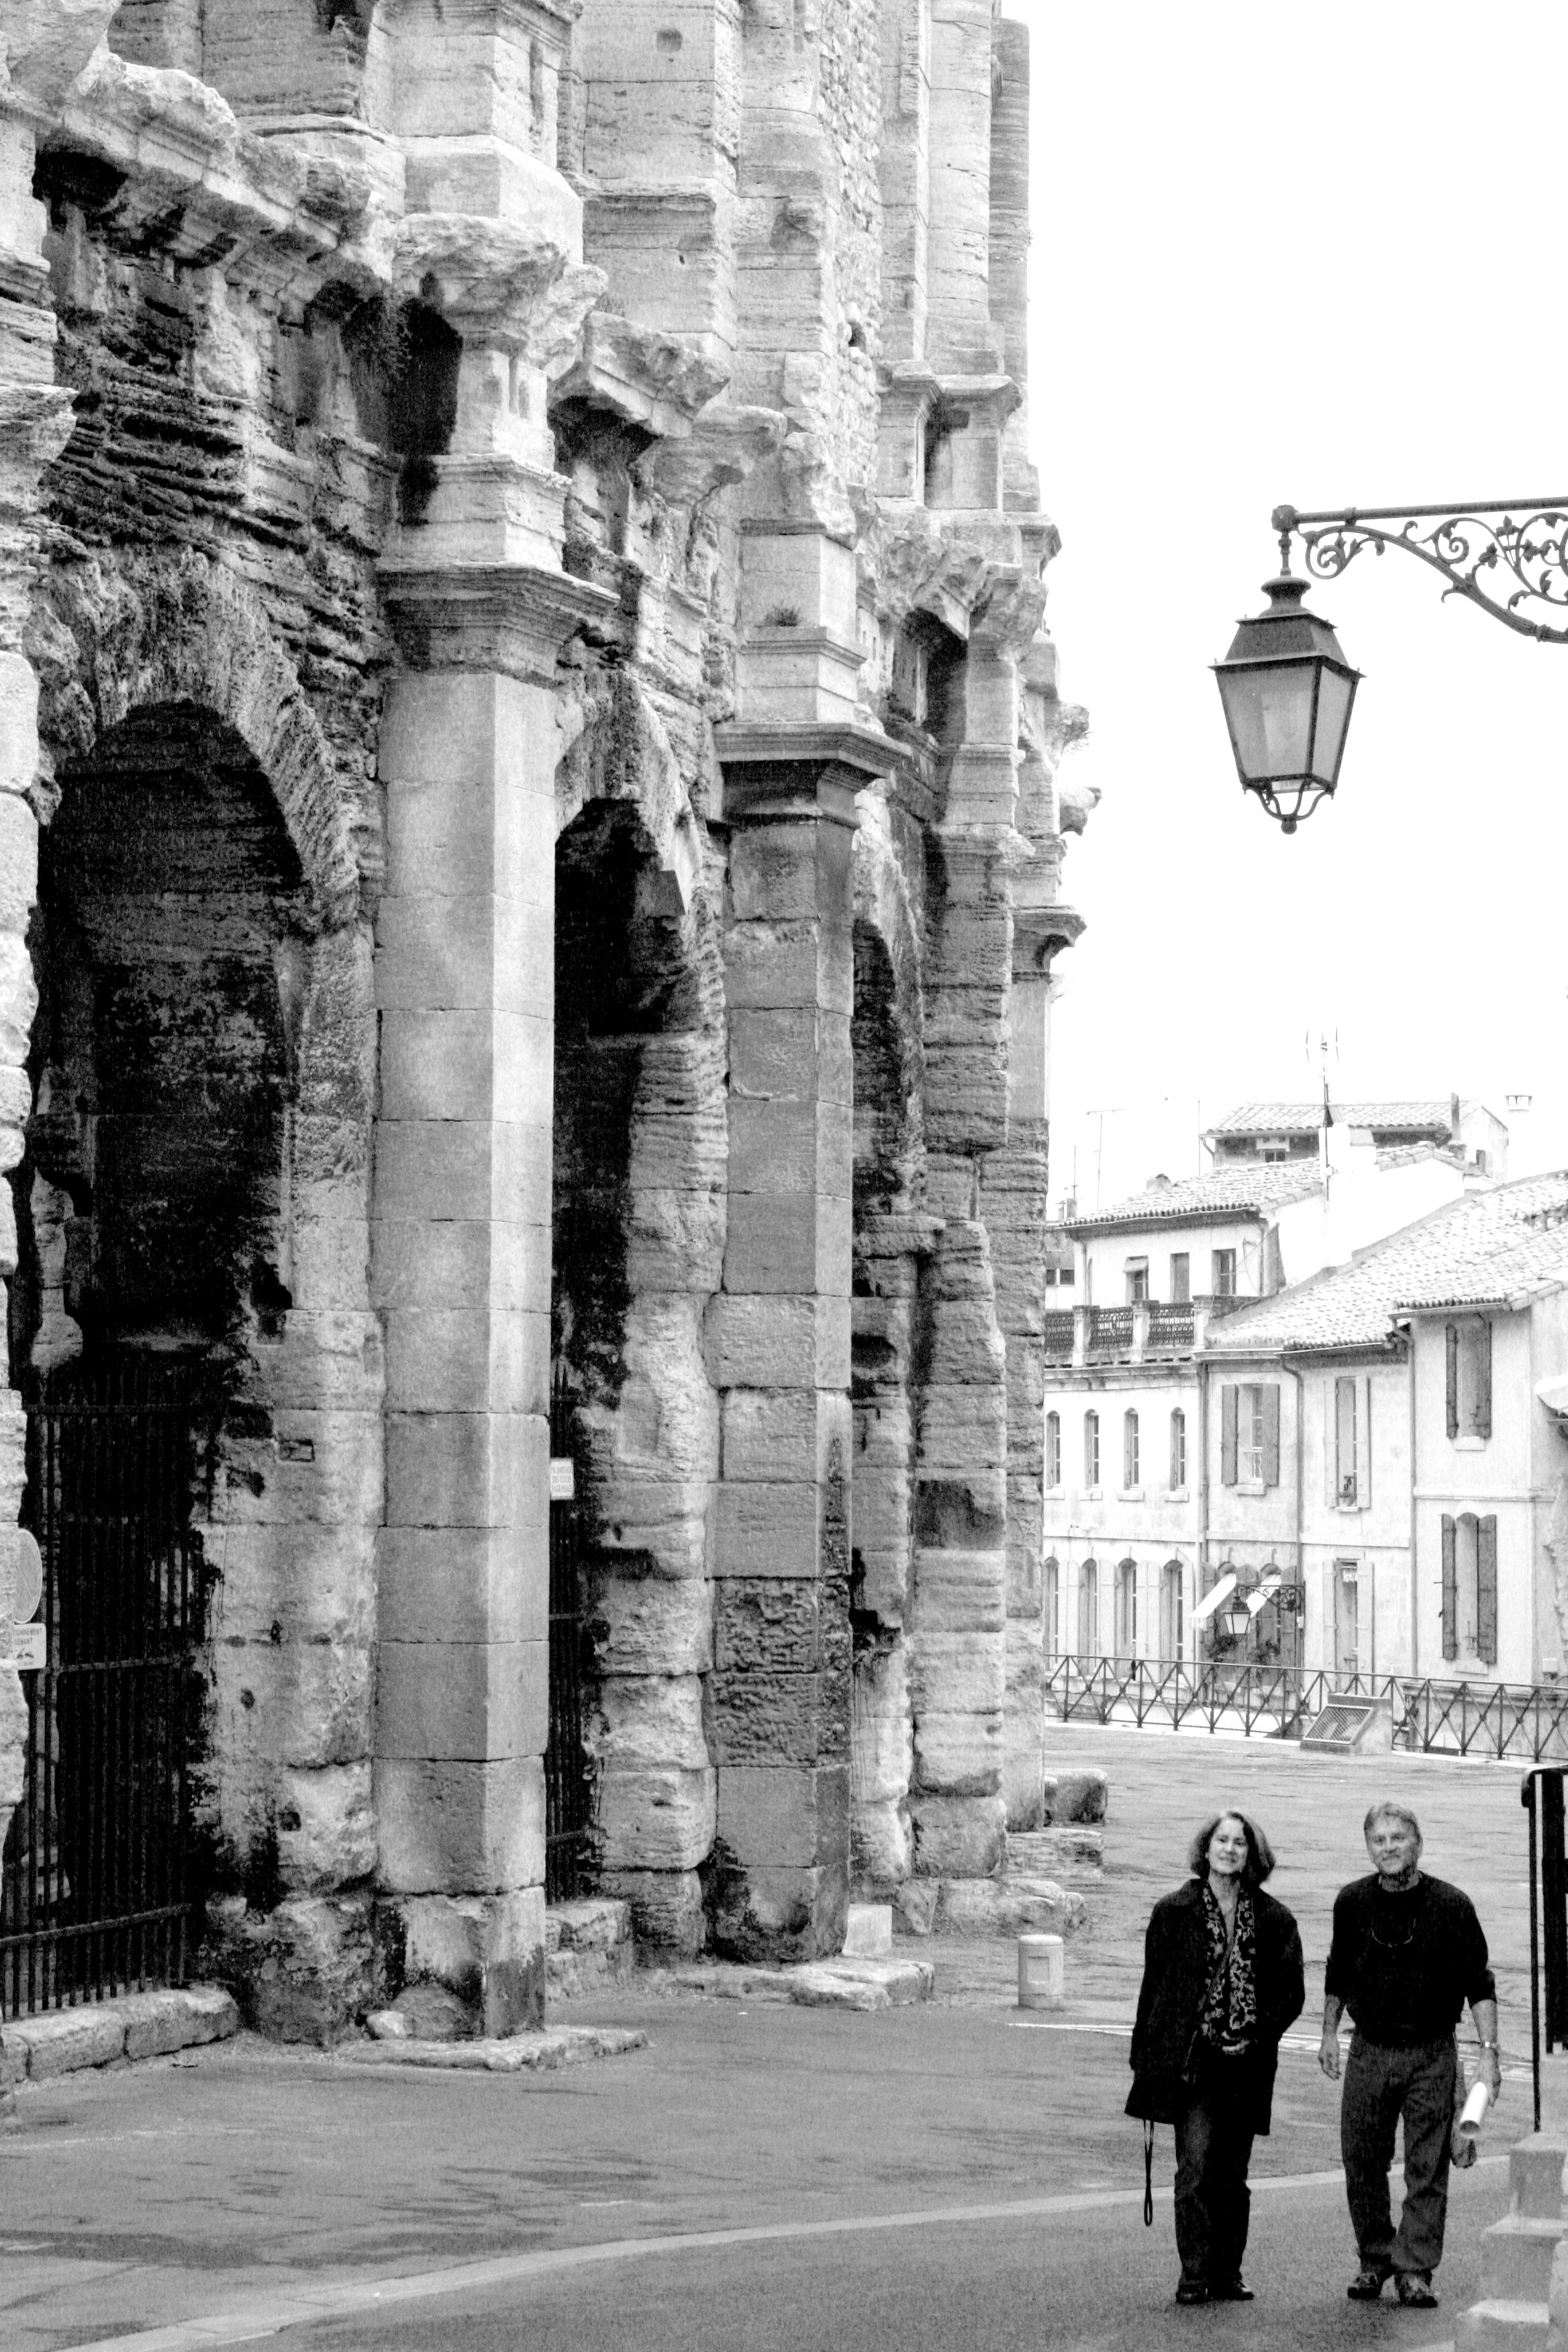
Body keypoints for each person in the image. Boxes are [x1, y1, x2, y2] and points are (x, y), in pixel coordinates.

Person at [1320, 1799, 1502, 2310]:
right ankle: (1375, 2258)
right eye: (1379, 1840)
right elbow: (1338, 1972)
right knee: (1362, 2160)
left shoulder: (1453, 1905)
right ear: (1368, 1848)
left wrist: (1488, 2054)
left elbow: (1480, 1985)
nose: (1389, 1848)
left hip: (1431, 2052)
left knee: (1427, 2166)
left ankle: (1415, 2269)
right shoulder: (1351, 1902)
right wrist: (1329, 2032)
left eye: (1398, 1838)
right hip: (1369, 2048)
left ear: (1417, 1844)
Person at [1128, 1810, 1306, 2306]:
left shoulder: (1274, 1919)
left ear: (1253, 1854)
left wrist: (1256, 2031)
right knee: (1196, 2169)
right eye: (1221, 1841)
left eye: (1240, 1843)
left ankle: (1227, 2271)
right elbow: (1154, 1988)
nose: (1230, 1849)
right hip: (1194, 2062)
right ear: (1205, 1849)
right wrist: (1144, 2057)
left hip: (1246, 2064)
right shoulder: (1174, 1910)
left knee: (1233, 2176)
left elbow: (1290, 1993)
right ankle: (1194, 2273)